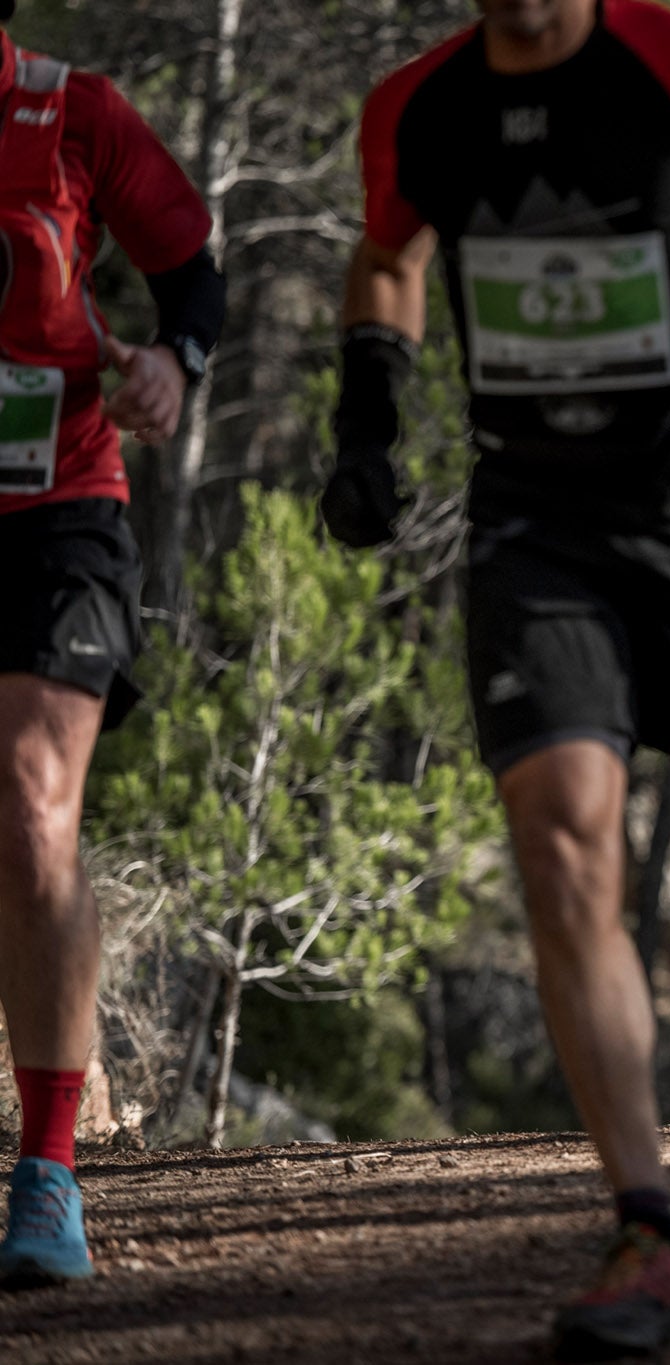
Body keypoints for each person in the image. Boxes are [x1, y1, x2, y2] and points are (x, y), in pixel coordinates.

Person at [320, 1, 670, 1356]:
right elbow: (389, 255)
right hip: (538, 520)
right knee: (562, 834)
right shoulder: (420, 107)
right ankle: (648, 1228)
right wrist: (364, 413)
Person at [0, 2, 226, 1290]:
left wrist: (174, 365)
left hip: (59, 506)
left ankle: (48, 1171)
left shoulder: (73, 114)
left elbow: (193, 268)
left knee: (35, 816)